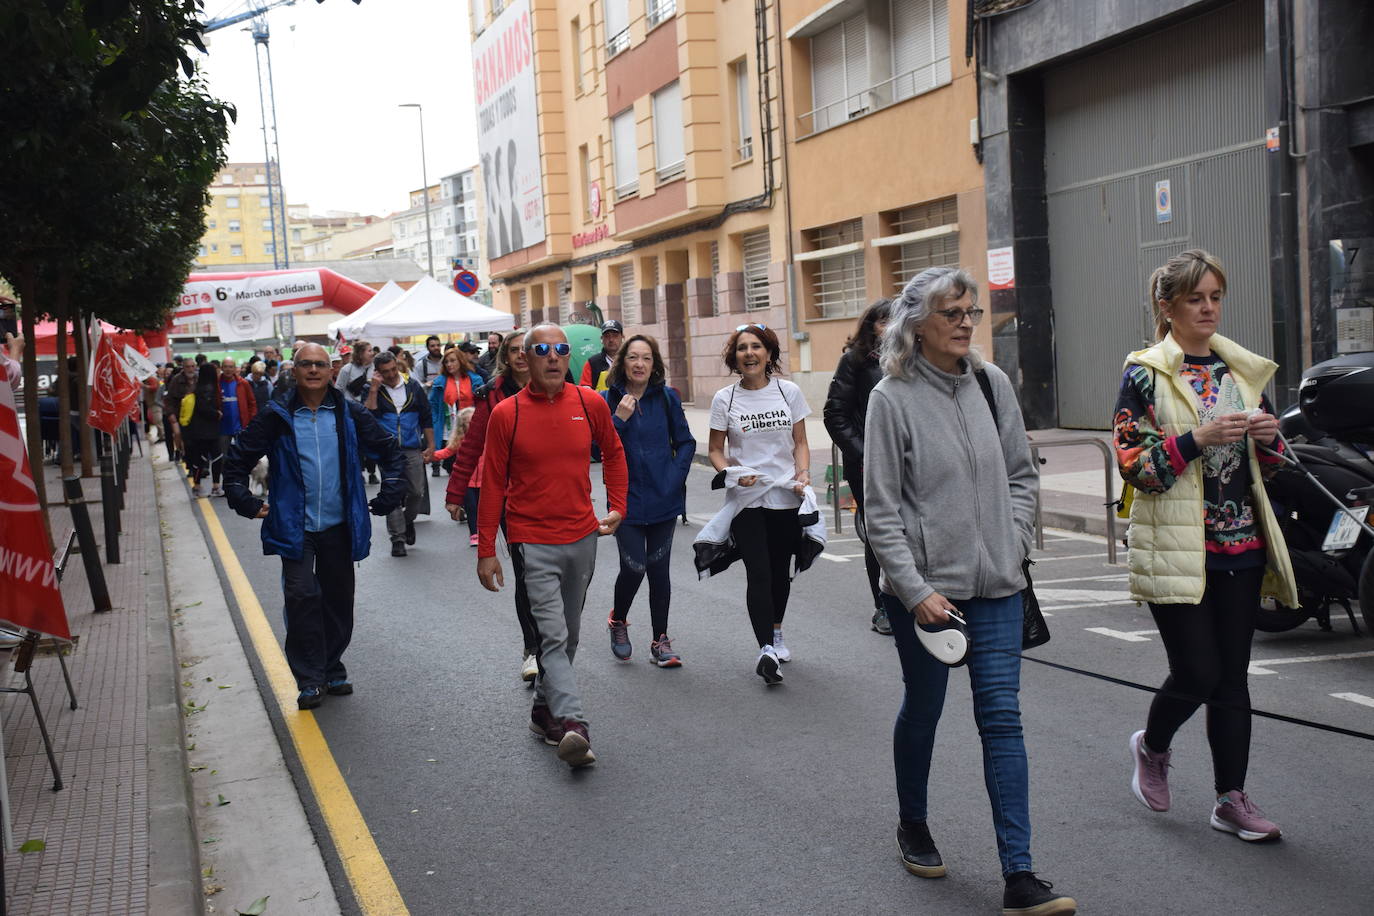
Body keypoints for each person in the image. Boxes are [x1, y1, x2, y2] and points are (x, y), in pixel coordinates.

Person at [863, 267, 1075, 915]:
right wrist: (915, 589)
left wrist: (1013, 543)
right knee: (924, 708)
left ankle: (1020, 874)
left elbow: (1020, 474)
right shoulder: (890, 399)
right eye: (951, 312)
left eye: (971, 312)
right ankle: (913, 822)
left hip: (999, 588)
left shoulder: (991, 383)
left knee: (1002, 721)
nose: (964, 322)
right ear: (917, 323)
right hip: (928, 599)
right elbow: (881, 510)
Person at [1114, 249, 1296, 843]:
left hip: (1240, 545)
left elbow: (1268, 467)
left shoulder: (1240, 372)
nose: (1210, 308)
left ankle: (1230, 799)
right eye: (1196, 298)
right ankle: (1154, 746)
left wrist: (1269, 439)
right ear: (1167, 308)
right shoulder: (1144, 373)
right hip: (1176, 546)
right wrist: (1196, 438)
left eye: (1216, 296)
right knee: (1196, 671)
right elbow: (1135, 466)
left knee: (1234, 678)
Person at [476, 324, 627, 769]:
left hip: (583, 535)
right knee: (553, 636)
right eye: (542, 350)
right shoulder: (508, 413)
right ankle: (573, 724)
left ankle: (543, 713)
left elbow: (614, 453)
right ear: (525, 358)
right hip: (531, 539)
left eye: (561, 349)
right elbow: (492, 486)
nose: (554, 357)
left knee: (571, 636)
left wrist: (618, 505)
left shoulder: (590, 402)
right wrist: (487, 550)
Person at [223, 344, 405, 709]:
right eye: (306, 364)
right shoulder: (276, 415)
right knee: (302, 595)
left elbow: (389, 452)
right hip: (295, 526)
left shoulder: (350, 413)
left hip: (340, 524)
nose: (313, 370)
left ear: (331, 371)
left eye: (320, 364)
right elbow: (238, 458)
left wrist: (389, 493)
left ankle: (332, 666)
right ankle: (309, 679)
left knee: (338, 602)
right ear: (294, 369)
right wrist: (245, 500)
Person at [703, 323, 815, 686]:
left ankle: (777, 632)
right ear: (734, 357)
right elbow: (715, 451)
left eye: (756, 347)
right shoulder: (726, 399)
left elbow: (800, 441)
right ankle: (766, 647)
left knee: (781, 572)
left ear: (768, 353)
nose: (749, 353)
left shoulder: (789, 392)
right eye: (741, 348)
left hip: (785, 497)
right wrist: (732, 474)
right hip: (746, 501)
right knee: (759, 573)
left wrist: (803, 472)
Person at [445, 329, 540, 677]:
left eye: (524, 350)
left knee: (556, 577)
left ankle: (553, 643)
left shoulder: (558, 388)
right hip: (509, 498)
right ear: (506, 357)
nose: (519, 356)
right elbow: (471, 447)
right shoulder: (491, 396)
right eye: (513, 350)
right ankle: (532, 649)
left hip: (548, 495)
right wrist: (456, 494)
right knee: (526, 572)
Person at [601, 334, 695, 667]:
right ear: (622, 362)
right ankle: (619, 621)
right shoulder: (606, 400)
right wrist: (618, 421)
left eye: (646, 358)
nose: (639, 364)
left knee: (659, 570)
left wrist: (674, 478)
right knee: (634, 566)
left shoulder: (666, 398)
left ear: (654, 364)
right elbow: (597, 450)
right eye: (633, 358)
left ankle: (660, 640)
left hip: (662, 498)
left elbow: (686, 442)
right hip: (623, 500)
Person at [823, 299, 893, 636]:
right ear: (870, 325)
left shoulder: (914, 358)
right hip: (867, 464)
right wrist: (864, 455)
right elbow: (834, 414)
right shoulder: (855, 361)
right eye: (883, 321)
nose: (890, 326)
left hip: (908, 463)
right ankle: (883, 607)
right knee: (879, 535)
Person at [366, 350, 435, 557]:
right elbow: (368, 415)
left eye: (393, 369)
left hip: (412, 447)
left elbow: (426, 416)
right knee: (393, 494)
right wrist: (374, 389)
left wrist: (430, 445)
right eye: (385, 372)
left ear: (397, 365)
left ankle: (407, 521)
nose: (391, 374)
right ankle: (397, 539)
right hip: (387, 450)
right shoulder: (373, 389)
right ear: (378, 372)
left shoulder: (412, 386)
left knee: (416, 491)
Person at [427, 343, 485, 479]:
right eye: (446, 362)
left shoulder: (475, 380)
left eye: (452, 360)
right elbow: (433, 406)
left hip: (471, 428)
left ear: (460, 361)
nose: (449, 364)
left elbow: (482, 404)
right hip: (449, 430)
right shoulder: (439, 382)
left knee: (470, 466)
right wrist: (435, 424)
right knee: (451, 465)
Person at [336, 341, 378, 484]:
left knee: (371, 441)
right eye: (369, 350)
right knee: (355, 443)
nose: (372, 353)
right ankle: (359, 472)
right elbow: (338, 390)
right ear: (360, 353)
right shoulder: (347, 369)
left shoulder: (375, 369)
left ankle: (372, 472)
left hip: (371, 411)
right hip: (352, 412)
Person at [180, 364, 224, 498]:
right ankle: (215, 486)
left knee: (199, 459)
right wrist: (217, 414)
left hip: (197, 431)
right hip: (209, 430)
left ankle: (197, 485)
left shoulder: (197, 388)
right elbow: (204, 408)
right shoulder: (209, 389)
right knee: (217, 457)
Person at [217, 358, 256, 495]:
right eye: (225, 366)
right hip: (222, 430)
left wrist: (251, 424)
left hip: (241, 428)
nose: (228, 369)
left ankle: (242, 486)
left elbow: (252, 404)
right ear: (222, 367)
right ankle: (227, 486)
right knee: (224, 459)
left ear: (235, 368)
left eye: (231, 366)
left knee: (242, 458)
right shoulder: (217, 384)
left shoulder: (243, 384)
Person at [164, 357, 198, 463]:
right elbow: (169, 399)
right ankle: (184, 456)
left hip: (197, 415)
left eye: (192, 366)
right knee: (182, 437)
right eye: (188, 367)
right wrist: (171, 415)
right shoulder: (176, 380)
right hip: (181, 415)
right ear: (183, 367)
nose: (190, 369)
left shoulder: (199, 378)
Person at [578, 320, 624, 392]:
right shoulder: (592, 363)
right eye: (607, 336)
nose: (611, 340)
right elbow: (584, 391)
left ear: (622, 337)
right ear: (601, 339)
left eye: (615, 336)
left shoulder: (630, 360)